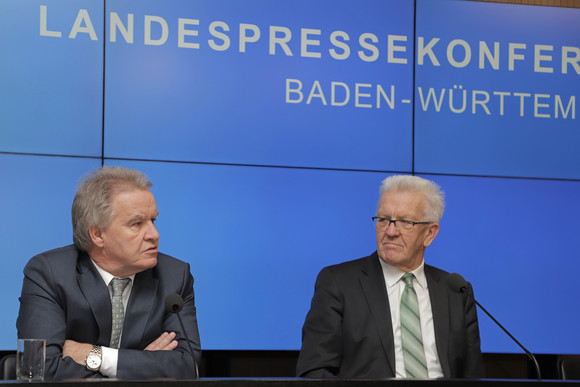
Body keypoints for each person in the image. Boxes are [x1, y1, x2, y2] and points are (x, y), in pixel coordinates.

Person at [17, 166, 201, 380]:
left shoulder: (175, 276)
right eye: (137, 223)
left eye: (153, 221)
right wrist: (139, 366)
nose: (154, 234)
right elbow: (40, 369)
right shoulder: (49, 273)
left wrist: (97, 356)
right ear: (97, 234)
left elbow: (188, 367)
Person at [296, 175, 485, 379]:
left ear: (430, 233)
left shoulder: (456, 292)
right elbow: (313, 372)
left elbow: (472, 378)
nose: (390, 231)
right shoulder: (338, 283)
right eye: (383, 219)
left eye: (405, 222)